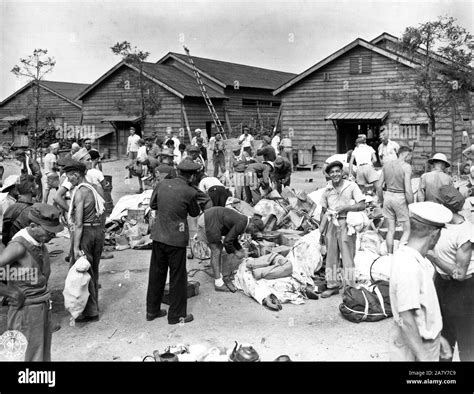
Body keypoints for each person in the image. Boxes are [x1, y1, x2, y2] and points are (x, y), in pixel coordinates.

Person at [389, 201, 453, 361]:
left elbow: (421, 310)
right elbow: (405, 318)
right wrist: (423, 357)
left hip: (422, 340)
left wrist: (438, 339)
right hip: (415, 348)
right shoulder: (409, 266)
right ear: (435, 234)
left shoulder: (414, 258)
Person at [0, 203, 64, 361]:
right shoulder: (18, 247)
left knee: (41, 355)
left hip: (40, 308)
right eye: (49, 232)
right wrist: (10, 292)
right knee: (28, 358)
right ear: (33, 226)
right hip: (25, 312)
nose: (53, 236)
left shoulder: (38, 243)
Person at [146, 160, 203, 325]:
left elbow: (153, 204)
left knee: (156, 274)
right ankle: (177, 315)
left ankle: (152, 310)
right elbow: (194, 212)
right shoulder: (190, 191)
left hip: (158, 236)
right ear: (192, 176)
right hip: (176, 239)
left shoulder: (162, 184)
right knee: (178, 277)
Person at [427, 186, 474, 361]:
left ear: (444, 205)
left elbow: (460, 273)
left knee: (467, 343)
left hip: (464, 291)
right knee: (443, 341)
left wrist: (433, 258)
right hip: (442, 285)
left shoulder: (465, 231)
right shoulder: (440, 224)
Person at [65, 160, 105, 323]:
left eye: (69, 177)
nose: (68, 181)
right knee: (93, 269)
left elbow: (79, 223)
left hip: (86, 232)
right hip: (98, 232)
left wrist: (75, 247)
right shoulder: (96, 188)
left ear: (76, 175)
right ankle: (93, 307)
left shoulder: (80, 192)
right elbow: (103, 211)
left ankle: (90, 312)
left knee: (83, 271)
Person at [319, 161, 366, 298]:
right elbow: (323, 211)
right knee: (331, 257)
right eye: (332, 172)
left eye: (337, 171)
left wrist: (346, 208)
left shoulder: (352, 186)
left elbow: (362, 205)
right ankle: (332, 285)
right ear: (329, 175)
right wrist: (322, 231)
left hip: (346, 223)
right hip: (331, 224)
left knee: (347, 257)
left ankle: (349, 288)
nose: (335, 174)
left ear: (342, 172)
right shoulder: (327, 190)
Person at [197, 206, 265, 292]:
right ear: (252, 225)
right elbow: (227, 241)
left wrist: (240, 249)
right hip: (209, 220)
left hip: (209, 217)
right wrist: (236, 252)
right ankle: (218, 283)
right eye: (253, 231)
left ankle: (218, 274)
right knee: (216, 250)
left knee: (218, 248)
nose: (251, 233)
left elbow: (233, 237)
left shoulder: (244, 221)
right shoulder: (242, 223)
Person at [376, 146, 414, 254]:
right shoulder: (406, 167)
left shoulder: (387, 165)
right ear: (406, 155)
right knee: (407, 230)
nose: (410, 159)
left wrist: (381, 200)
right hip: (400, 197)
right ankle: (400, 255)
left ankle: (389, 255)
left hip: (388, 196)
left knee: (390, 230)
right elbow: (408, 190)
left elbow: (379, 185)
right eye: (410, 156)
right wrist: (411, 205)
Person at [2, 175, 38, 246]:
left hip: (13, 248)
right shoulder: (33, 210)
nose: (37, 186)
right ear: (31, 189)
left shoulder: (10, 208)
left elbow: (5, 236)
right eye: (36, 184)